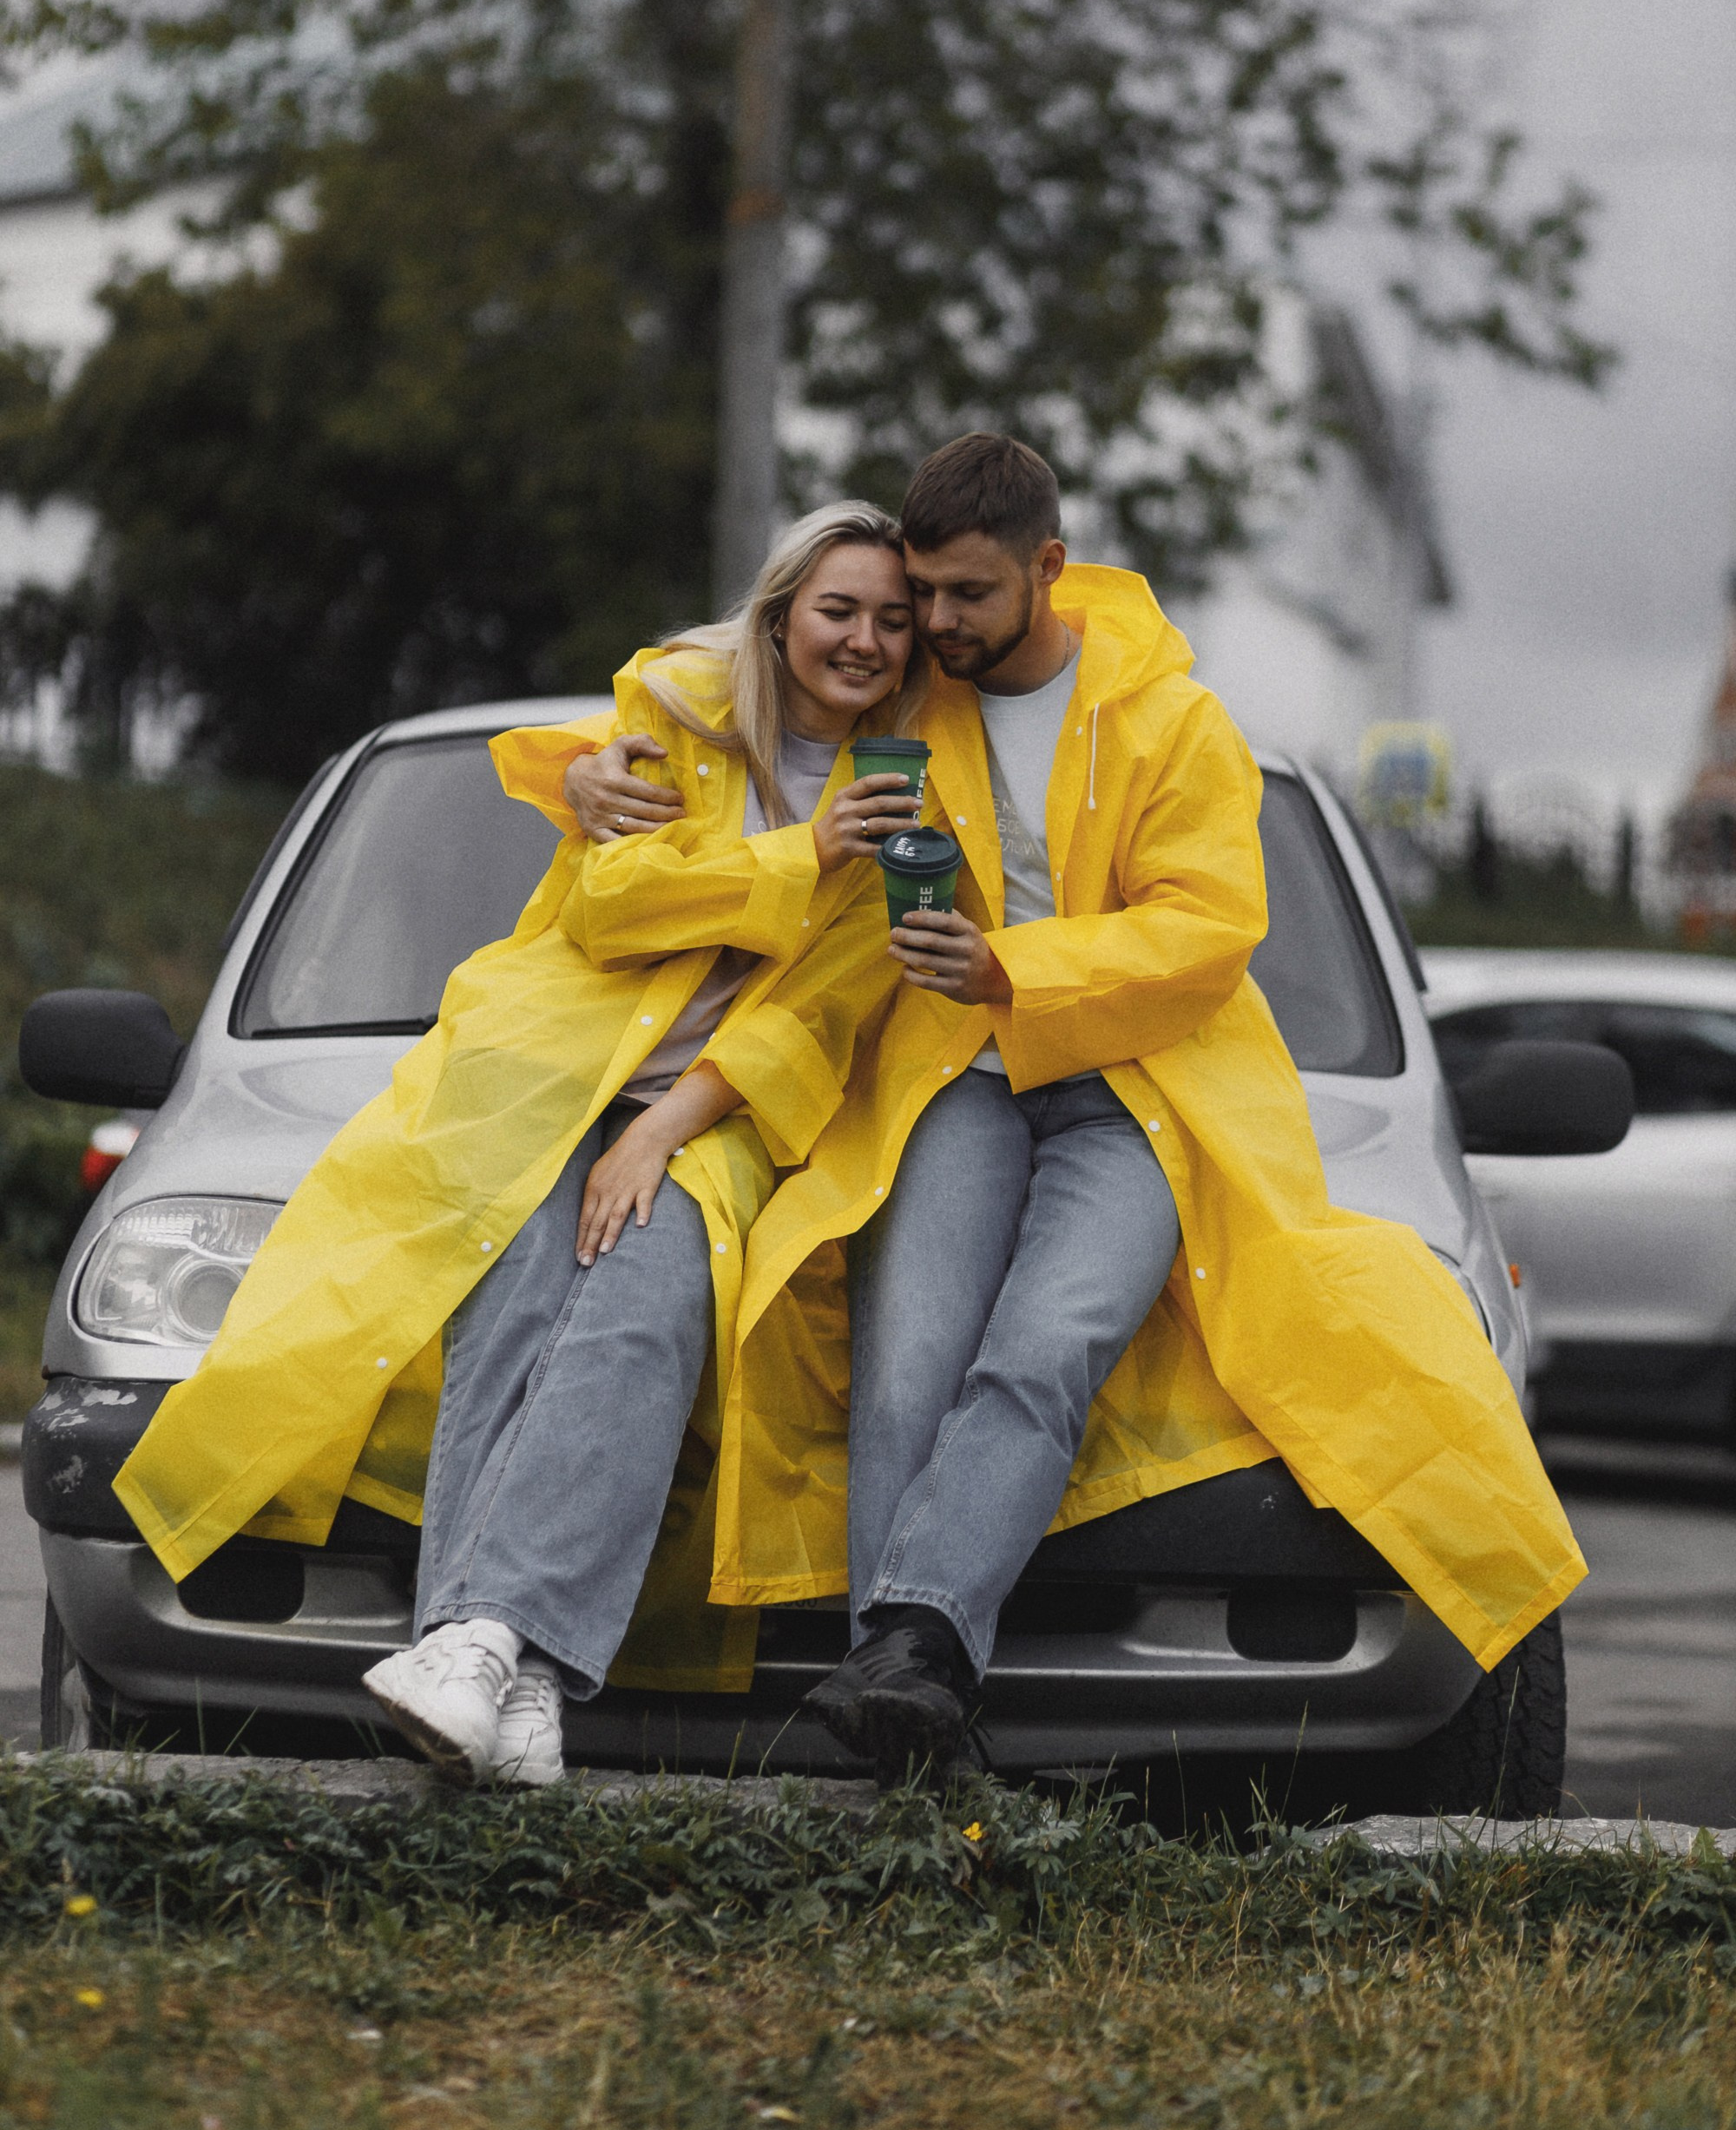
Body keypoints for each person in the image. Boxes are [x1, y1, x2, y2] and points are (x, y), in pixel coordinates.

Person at [575, 436, 1585, 1784]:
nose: (932, 624)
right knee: (906, 1362)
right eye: (921, 593)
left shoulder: (1175, 722)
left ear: (1049, 570)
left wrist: (1015, 967)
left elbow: (1211, 929)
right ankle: (908, 1711)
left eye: (966, 596)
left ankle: (913, 1647)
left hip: (1140, 1095)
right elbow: (735, 676)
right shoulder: (916, 692)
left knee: (1049, 1341)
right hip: (955, 1080)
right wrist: (587, 766)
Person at [115, 503, 925, 1786]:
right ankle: (526, 1682)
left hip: (706, 1105)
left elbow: (822, 1015)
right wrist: (790, 851)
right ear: (780, 614)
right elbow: (611, 910)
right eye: (839, 609)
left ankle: (475, 1641)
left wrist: (658, 1132)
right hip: (547, 1062)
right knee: (509, 1304)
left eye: (893, 618)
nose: (865, 640)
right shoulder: (674, 709)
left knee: (648, 1309)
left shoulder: (911, 788)